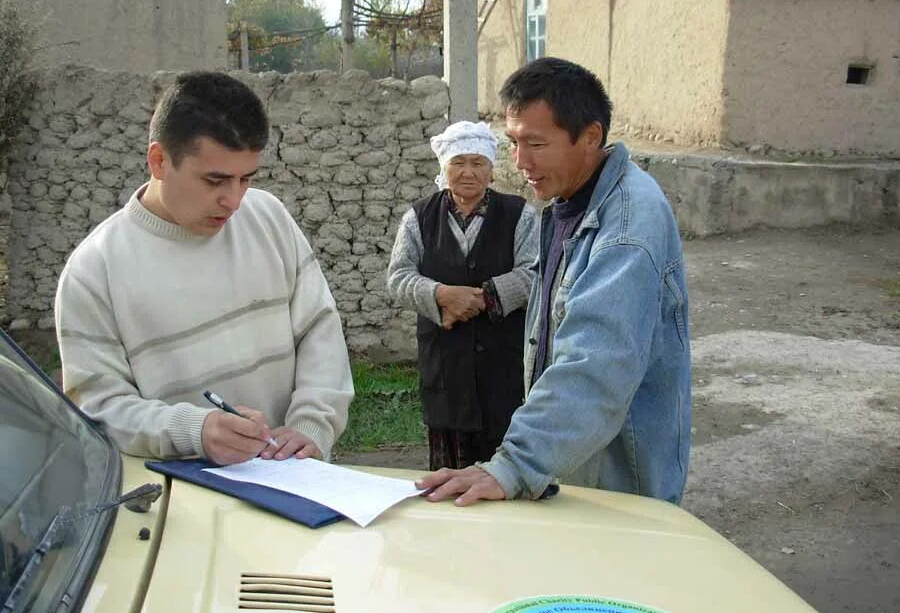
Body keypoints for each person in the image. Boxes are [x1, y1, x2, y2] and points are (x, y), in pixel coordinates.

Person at [416, 57, 691, 505]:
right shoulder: (569, 201)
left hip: (618, 483)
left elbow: (596, 364)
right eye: (513, 143)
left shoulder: (625, 227)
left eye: (536, 144)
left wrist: (517, 464)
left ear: (590, 137)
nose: (520, 161)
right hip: (574, 459)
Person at [54, 71, 354, 466]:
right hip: (182, 505)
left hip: (295, 480)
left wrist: (311, 427)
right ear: (159, 160)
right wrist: (193, 431)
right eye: (215, 180)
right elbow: (100, 408)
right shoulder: (93, 271)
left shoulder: (268, 217)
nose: (233, 200)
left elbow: (320, 330)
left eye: (246, 179)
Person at [387, 121, 538, 470]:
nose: (468, 172)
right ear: (444, 167)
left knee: (504, 465)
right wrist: (440, 295)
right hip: (445, 366)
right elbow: (398, 277)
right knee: (448, 471)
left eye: (478, 162)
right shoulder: (418, 218)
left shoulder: (520, 216)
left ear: (491, 168)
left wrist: (482, 298)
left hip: (502, 366)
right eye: (458, 162)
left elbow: (535, 272)